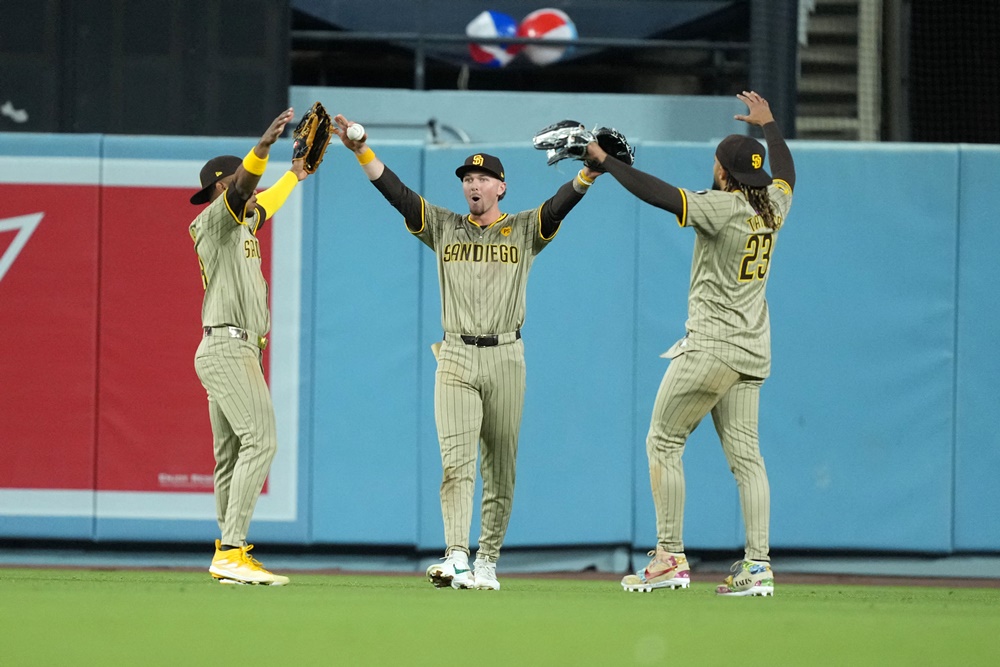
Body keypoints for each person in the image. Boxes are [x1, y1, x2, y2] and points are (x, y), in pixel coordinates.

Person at [332, 112, 602, 591]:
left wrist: (586, 174)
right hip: (456, 356)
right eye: (467, 178)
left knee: (500, 465)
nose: (473, 185)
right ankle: (456, 553)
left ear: (501, 187)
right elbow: (397, 195)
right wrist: (361, 151)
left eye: (482, 178)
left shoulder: (521, 229)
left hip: (506, 357)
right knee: (456, 462)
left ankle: (487, 562)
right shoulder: (443, 227)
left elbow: (557, 208)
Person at [586, 91, 796, 597]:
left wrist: (607, 162)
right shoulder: (776, 206)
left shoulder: (721, 207)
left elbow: (660, 195)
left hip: (711, 348)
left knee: (663, 440)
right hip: (752, 350)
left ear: (724, 173)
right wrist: (769, 126)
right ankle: (759, 565)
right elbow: (787, 172)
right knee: (748, 459)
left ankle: (669, 557)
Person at [189, 107, 311, 586]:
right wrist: (261, 148)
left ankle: (226, 553)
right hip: (228, 347)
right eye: (238, 183)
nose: (249, 189)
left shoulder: (242, 225)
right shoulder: (215, 221)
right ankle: (234, 551)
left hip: (229, 348)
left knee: (231, 455)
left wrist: (295, 175)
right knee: (262, 441)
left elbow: (265, 201)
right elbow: (244, 189)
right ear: (225, 188)